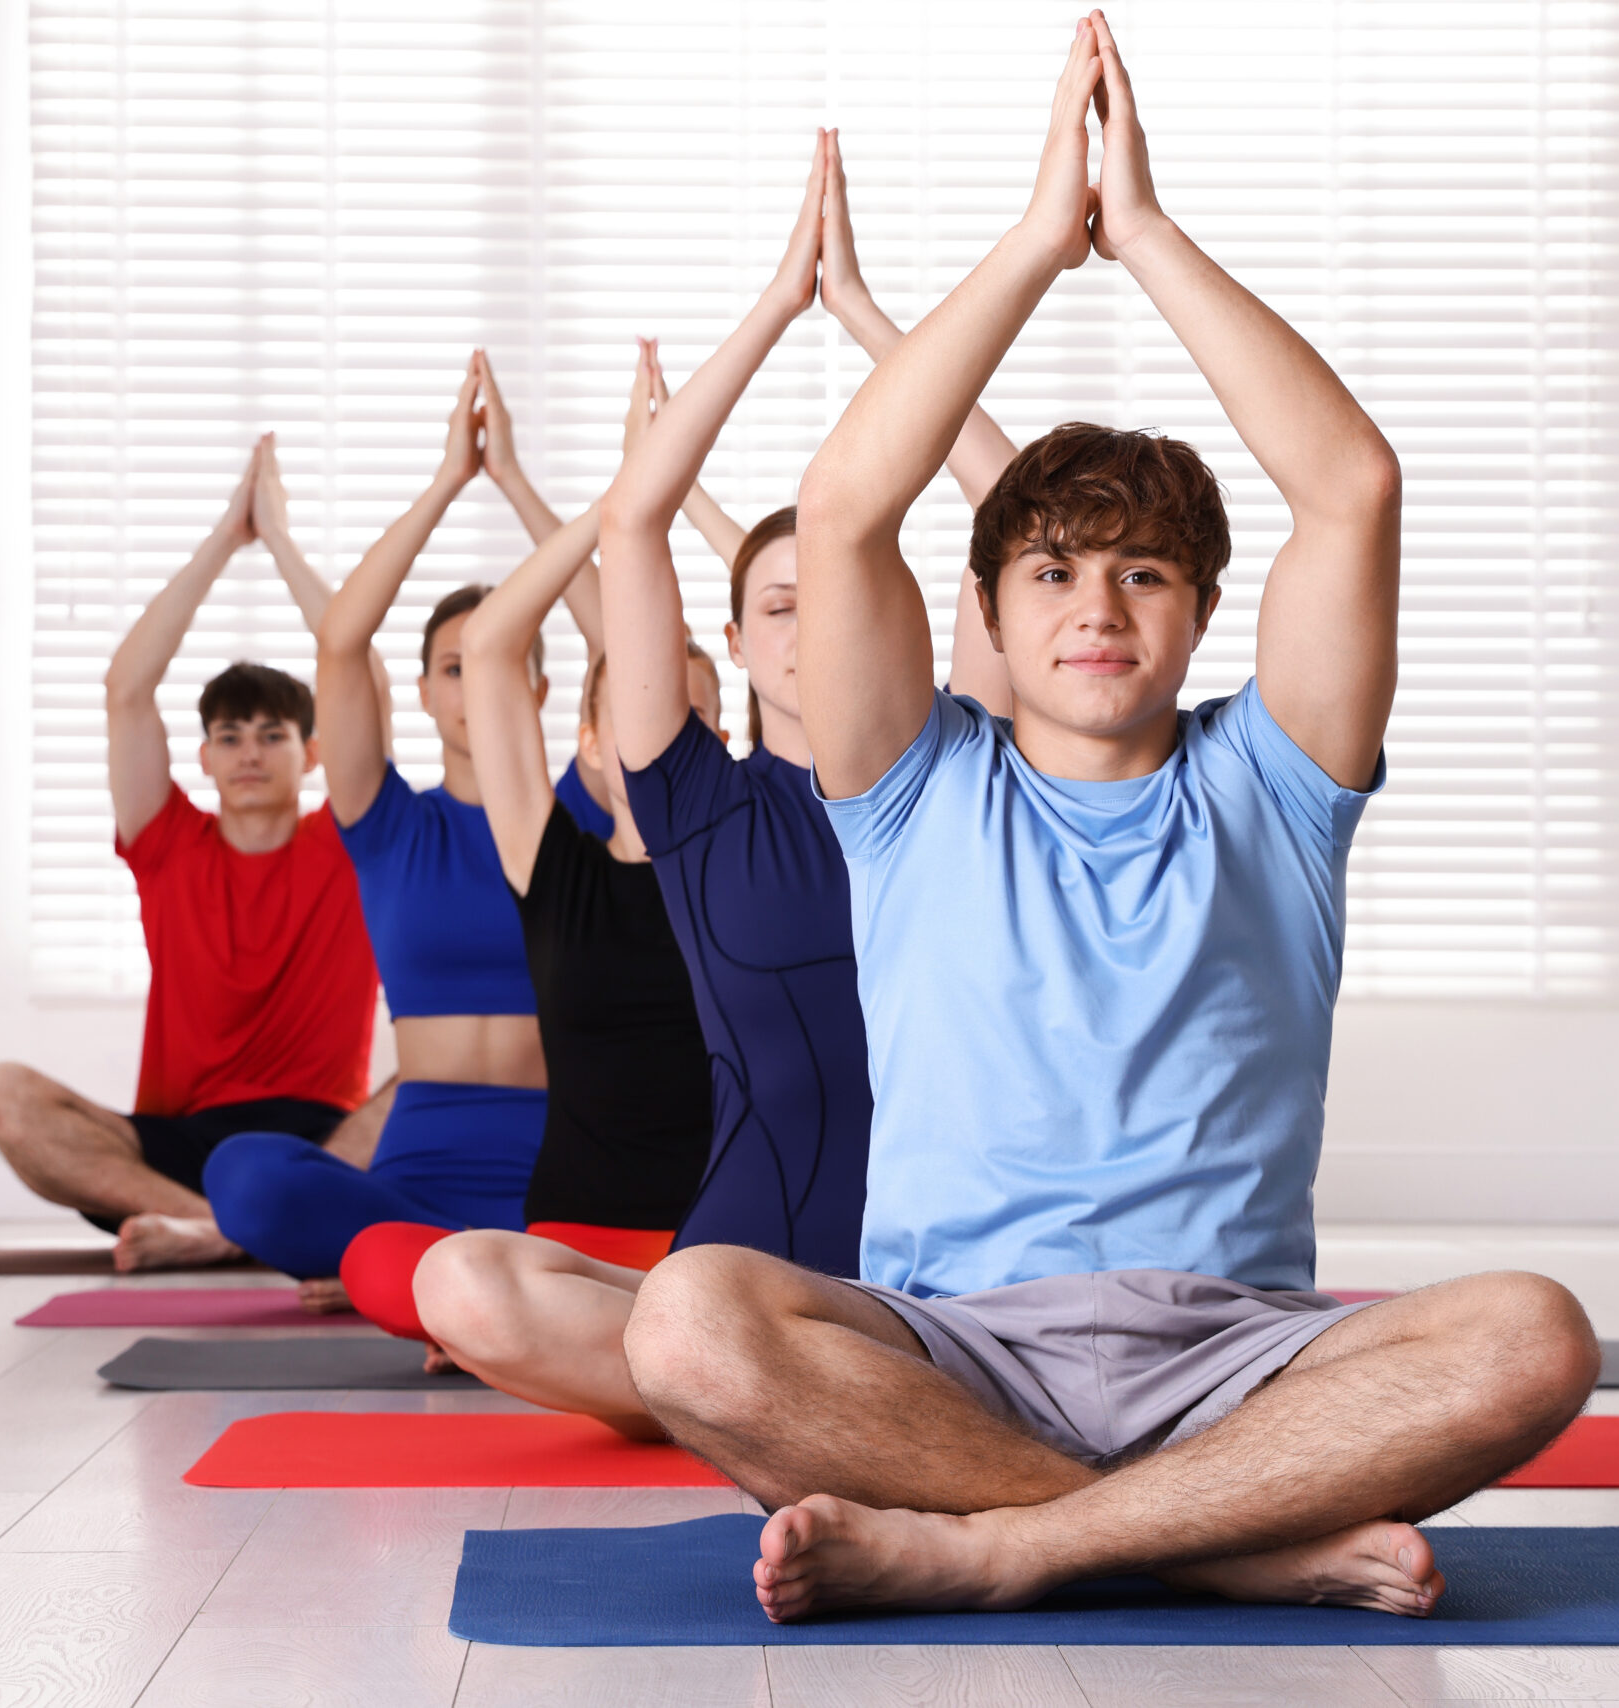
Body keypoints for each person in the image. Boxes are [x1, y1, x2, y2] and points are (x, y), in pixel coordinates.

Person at [621, 13, 1601, 1623]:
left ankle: (1011, 1545)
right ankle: (1222, 1542)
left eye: (1142, 571)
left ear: (1202, 612)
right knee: (685, 1323)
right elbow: (851, 501)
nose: (1098, 608)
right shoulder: (910, 785)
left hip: (1239, 1354)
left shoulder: (1275, 786)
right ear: (988, 621)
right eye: (1054, 573)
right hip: (955, 1350)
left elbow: (1351, 483)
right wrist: (1029, 244)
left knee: (1534, 1334)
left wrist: (1139, 235)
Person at [384, 132, 1022, 1432]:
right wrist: (781, 303)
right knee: (463, 1280)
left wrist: (864, 319)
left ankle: (808, 1407)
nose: (814, 628)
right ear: (733, 645)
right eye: (781, 607)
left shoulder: (951, 776)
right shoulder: (690, 799)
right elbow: (632, 523)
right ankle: (771, 1394)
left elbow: (1016, 509)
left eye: (847, 599)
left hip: (929, 1286)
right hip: (729, 1281)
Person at [335, 345, 738, 1394]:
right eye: (648, 705)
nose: (670, 726)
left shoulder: (756, 860)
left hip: (724, 1241)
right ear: (592, 741)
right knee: (394, 1263)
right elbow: (504, 642)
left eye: (695, 711)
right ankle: (669, 1371)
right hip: (577, 1238)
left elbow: (783, 639)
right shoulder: (550, 859)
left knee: (693, 1305)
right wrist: (618, 497)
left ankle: (617, 1363)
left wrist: (661, 498)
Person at [198, 356, 651, 1286]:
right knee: (243, 1172)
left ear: (540, 686)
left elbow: (628, 648)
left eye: (497, 661)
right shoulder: (388, 821)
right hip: (416, 1176)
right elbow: (339, 641)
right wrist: (450, 483)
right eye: (453, 667)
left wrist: (526, 487)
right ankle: (461, 1288)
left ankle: (449, 1290)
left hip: (566, 1172)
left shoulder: (582, 806)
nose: (474, 684)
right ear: (424, 692)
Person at [0, 437, 393, 1271]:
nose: (248, 752)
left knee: (433, 1084)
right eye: (228, 736)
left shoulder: (349, 839)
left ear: (312, 754)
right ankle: (221, 1224)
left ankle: (221, 1231)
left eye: (273, 735)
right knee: (2, 1095)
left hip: (318, 1139)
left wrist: (279, 542)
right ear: (202, 758)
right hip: (175, 1149)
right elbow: (126, 687)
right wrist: (223, 542)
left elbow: (365, 681)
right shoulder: (168, 845)